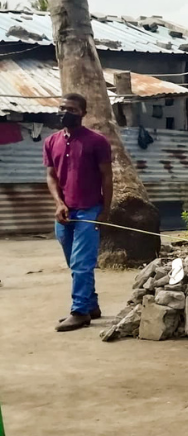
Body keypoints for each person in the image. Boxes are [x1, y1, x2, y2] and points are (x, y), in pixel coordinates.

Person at [45, 93, 113, 332]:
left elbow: (107, 176)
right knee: (74, 264)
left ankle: (79, 311)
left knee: (81, 263)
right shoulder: (51, 141)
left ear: (83, 113)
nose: (66, 113)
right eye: (63, 108)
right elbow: (51, 177)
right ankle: (91, 305)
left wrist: (105, 210)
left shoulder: (97, 141)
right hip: (64, 213)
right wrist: (58, 203)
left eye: (72, 110)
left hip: (89, 210)